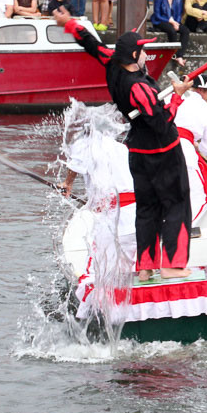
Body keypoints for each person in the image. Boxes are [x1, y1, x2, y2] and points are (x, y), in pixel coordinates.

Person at [53, 8, 195, 282]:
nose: (146, 55)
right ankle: (173, 265)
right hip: (162, 152)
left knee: (147, 207)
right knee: (176, 204)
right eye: (142, 51)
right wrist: (177, 96)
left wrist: (68, 23)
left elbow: (91, 44)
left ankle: (145, 266)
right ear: (132, 56)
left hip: (138, 152)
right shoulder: (137, 87)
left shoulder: (112, 62)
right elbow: (162, 122)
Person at [60, 113, 139, 287]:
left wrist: (67, 183)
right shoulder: (122, 149)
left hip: (112, 216)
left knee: (97, 267)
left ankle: (90, 303)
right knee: (133, 262)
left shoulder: (86, 145)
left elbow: (76, 164)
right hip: (134, 212)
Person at [175, 74, 207, 236]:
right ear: (201, 90)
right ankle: (186, 231)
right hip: (183, 151)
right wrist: (196, 145)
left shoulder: (171, 96)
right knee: (200, 195)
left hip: (154, 147)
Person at [153, 0, 187, 67]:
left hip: (174, 21)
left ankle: (180, 55)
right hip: (161, 20)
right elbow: (157, 15)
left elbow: (179, 14)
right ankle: (174, 53)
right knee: (171, 31)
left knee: (185, 31)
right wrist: (170, 21)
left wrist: (176, 23)